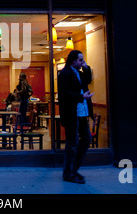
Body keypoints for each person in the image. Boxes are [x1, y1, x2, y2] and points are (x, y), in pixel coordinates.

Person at [58, 50, 95, 184]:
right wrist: (81, 97)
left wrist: (87, 68)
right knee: (72, 143)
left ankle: (73, 170)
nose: (82, 62)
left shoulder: (79, 72)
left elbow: (88, 80)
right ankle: (69, 173)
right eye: (80, 60)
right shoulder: (65, 73)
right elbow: (65, 93)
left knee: (86, 138)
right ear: (73, 60)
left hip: (82, 112)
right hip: (72, 113)